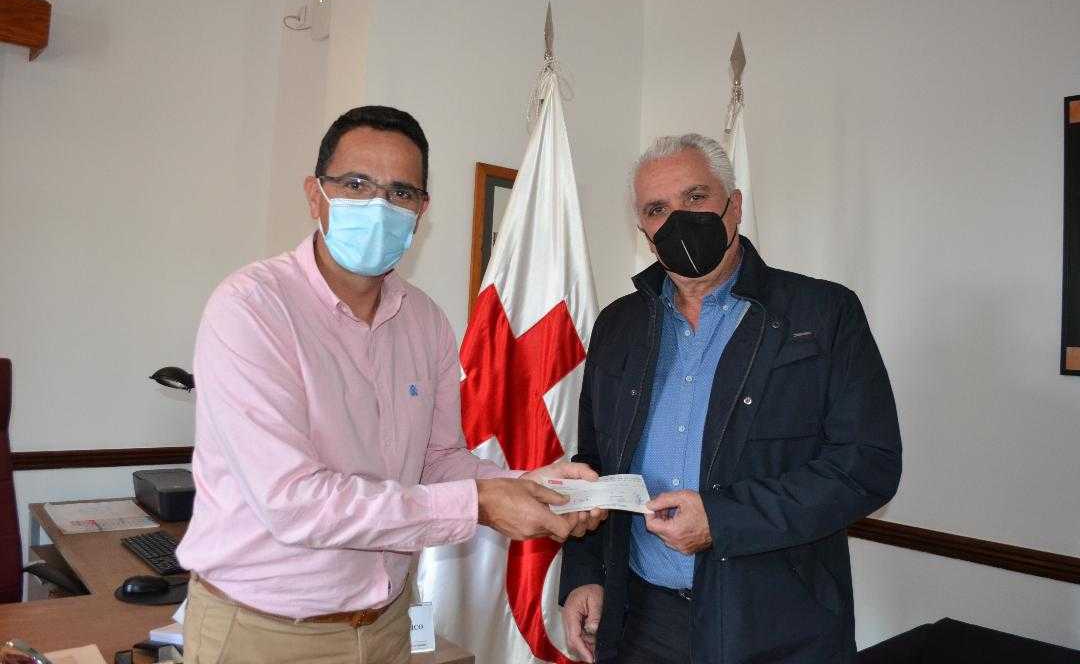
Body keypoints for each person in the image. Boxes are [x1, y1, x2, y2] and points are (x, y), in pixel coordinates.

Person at [177, 106, 602, 664]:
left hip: (386, 627)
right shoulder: (251, 309)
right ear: (315, 196)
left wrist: (529, 484)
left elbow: (437, 460)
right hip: (265, 632)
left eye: (401, 192)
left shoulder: (425, 321)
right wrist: (478, 503)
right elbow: (293, 502)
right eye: (356, 185)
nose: (379, 206)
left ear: (422, 210)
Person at [559, 134, 902, 664]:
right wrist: (585, 574)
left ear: (734, 206)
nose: (677, 220)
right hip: (641, 623)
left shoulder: (823, 314)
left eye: (695, 197)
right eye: (657, 209)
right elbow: (595, 465)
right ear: (643, 230)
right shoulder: (618, 324)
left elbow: (867, 466)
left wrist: (722, 520)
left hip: (776, 627)